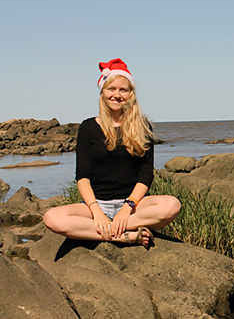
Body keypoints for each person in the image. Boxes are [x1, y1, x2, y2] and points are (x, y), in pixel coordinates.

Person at [44, 58, 181, 248]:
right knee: (52, 218)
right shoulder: (88, 127)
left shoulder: (143, 126)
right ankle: (124, 236)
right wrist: (97, 212)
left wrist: (127, 208)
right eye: (111, 89)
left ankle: (107, 230)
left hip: (134, 206)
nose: (117, 95)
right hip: (95, 205)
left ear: (131, 94)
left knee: (171, 205)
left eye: (123, 90)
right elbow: (82, 176)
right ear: (103, 92)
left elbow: (145, 174)